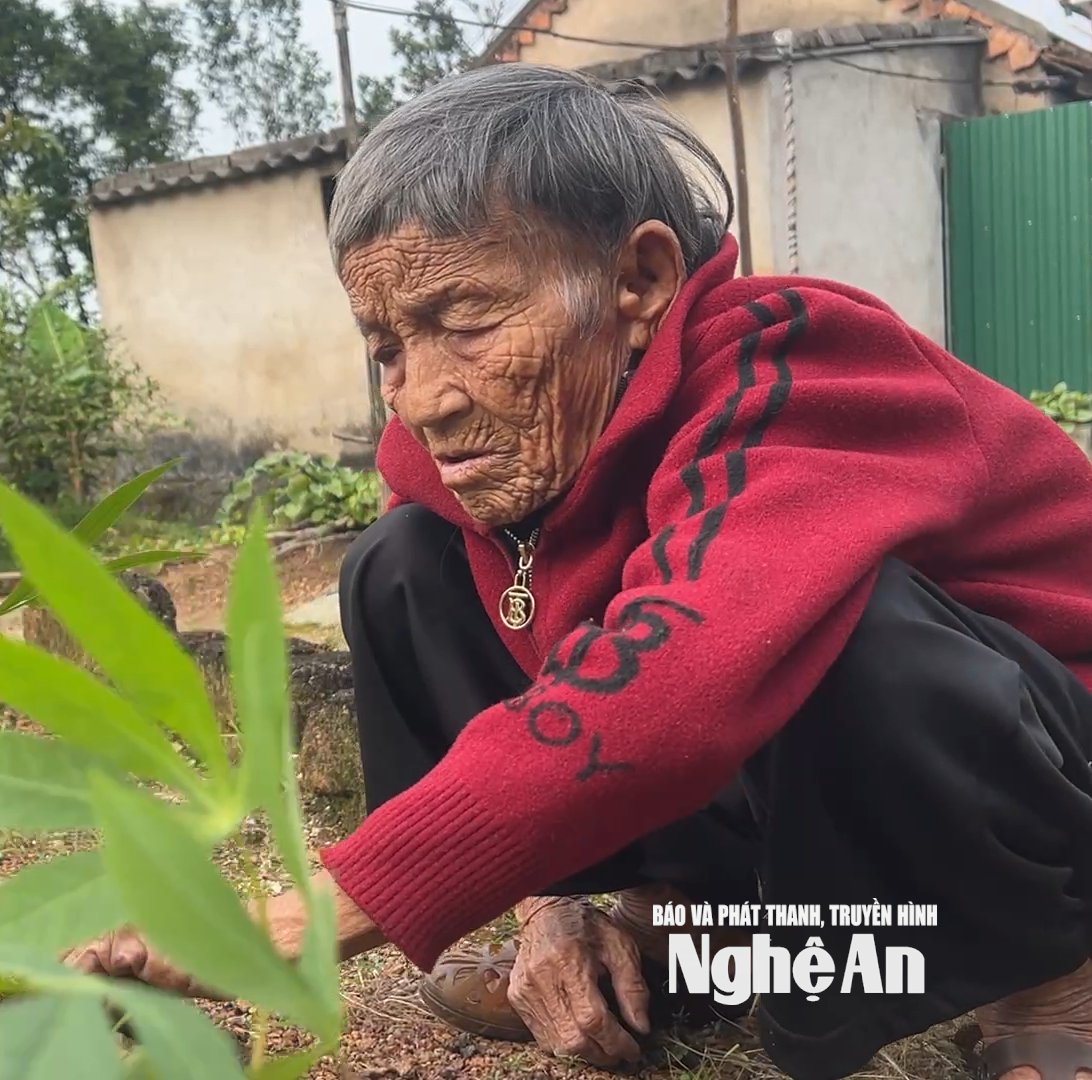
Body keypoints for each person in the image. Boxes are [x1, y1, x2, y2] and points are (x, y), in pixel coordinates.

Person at [70, 63, 1092, 1080]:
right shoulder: (490, 453)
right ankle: (692, 928)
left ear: (638, 281)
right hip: (799, 815)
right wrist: (549, 900)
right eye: (387, 347)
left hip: (1046, 787)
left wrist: (299, 915)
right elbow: (542, 673)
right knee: (405, 565)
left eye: (465, 323)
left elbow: (677, 681)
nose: (423, 398)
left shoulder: (795, 364)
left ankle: (1051, 975)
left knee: (834, 624)